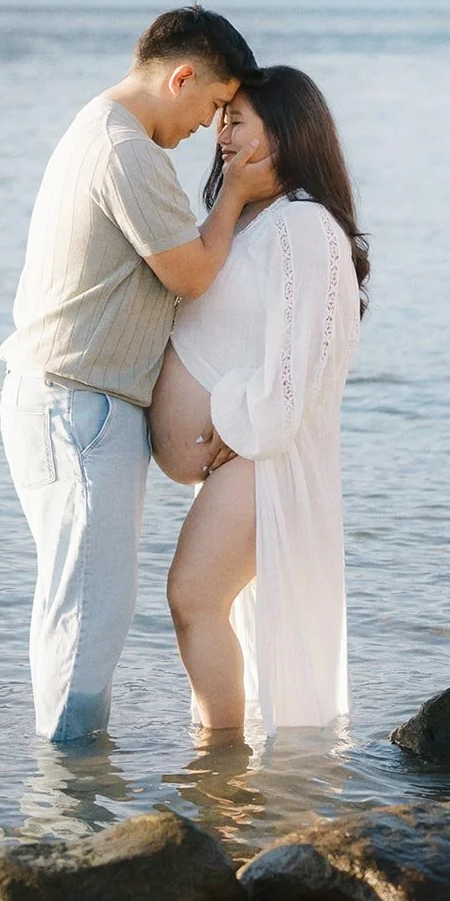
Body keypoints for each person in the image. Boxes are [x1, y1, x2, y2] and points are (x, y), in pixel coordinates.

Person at [0, 5, 274, 742]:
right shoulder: (126, 150)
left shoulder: (97, 129)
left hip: (66, 403)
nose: (209, 131)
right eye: (214, 106)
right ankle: (72, 809)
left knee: (80, 609)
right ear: (181, 76)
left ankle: (69, 806)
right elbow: (188, 273)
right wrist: (241, 198)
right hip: (78, 410)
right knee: (89, 617)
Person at [151, 66, 366, 737]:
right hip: (240, 457)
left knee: (192, 599)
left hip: (261, 459)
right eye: (222, 117)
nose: (221, 131)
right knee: (199, 603)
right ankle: (225, 761)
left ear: (286, 130)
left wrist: (236, 419)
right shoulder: (253, 222)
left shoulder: (304, 225)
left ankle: (220, 764)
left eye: (238, 117)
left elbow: (300, 369)